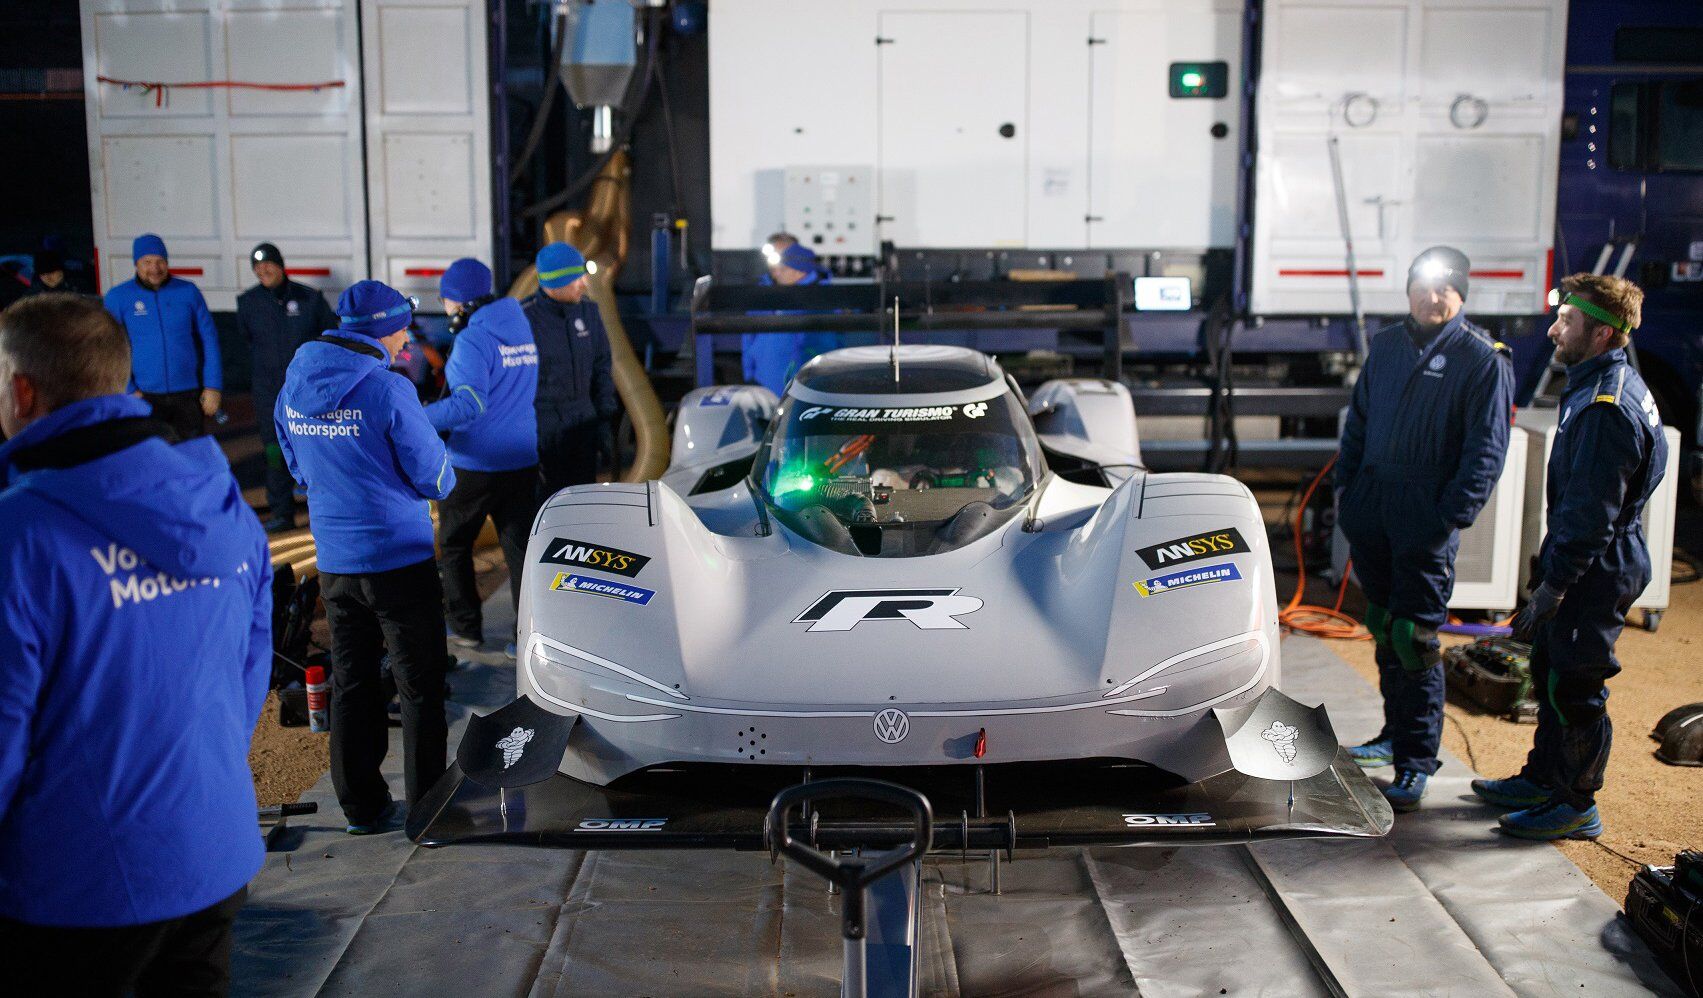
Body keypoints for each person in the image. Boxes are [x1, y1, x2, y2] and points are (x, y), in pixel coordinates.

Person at [0, 294, 271, 993]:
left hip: (77, 887)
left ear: (21, 390)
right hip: (213, 847)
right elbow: (248, 672)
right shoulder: (220, 502)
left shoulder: (24, 533)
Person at [1474, 274, 1667, 840]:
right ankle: (1543, 778)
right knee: (1549, 666)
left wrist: (1555, 586)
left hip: (1598, 563)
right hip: (1585, 553)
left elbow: (1590, 516)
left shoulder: (1607, 404)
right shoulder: (1599, 380)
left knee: (1575, 684)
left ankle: (1578, 802)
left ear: (1603, 332)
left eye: (1567, 322)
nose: (1555, 330)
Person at [1335, 246, 1515, 812]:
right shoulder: (1387, 347)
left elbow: (1486, 451)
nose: (1432, 297)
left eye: (1445, 289)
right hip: (1373, 512)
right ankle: (1394, 734)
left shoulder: (1483, 359)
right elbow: (1357, 424)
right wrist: (1349, 493)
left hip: (1424, 522)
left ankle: (1416, 761)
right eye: (1423, 285)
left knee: (1416, 640)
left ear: (1461, 296)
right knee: (1385, 627)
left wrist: (1448, 518)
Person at [275, 280, 456, 834]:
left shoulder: (295, 382)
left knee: (352, 681)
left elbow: (295, 464)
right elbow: (436, 478)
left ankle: (361, 806)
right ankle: (427, 811)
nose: (407, 339)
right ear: (381, 328)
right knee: (419, 685)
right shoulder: (388, 390)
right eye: (402, 326)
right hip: (398, 560)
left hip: (336, 560)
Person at [426, 258, 540, 658]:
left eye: (445, 301)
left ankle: (466, 629)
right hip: (522, 459)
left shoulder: (473, 340)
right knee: (521, 551)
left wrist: (417, 415)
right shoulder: (519, 325)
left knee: (454, 545)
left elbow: (467, 406)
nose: (445, 310)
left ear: (460, 302)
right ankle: (525, 637)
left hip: (474, 463)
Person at [236, 242, 338, 532]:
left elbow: (330, 336)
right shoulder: (248, 303)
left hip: (307, 391)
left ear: (281, 265)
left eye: (268, 264)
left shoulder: (309, 298)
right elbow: (247, 341)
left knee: (317, 449)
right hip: (268, 393)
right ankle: (282, 513)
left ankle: (327, 509)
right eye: (258, 267)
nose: (263, 270)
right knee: (274, 453)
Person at [103, 233, 223, 440]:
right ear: (136, 263)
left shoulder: (188, 291)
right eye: (147, 262)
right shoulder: (118, 297)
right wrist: (128, 388)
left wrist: (213, 386)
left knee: (191, 456)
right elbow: (109, 347)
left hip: (187, 393)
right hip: (143, 395)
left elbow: (209, 339)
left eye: (160, 261)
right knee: (150, 458)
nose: (154, 268)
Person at [522, 242, 618, 497]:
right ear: (555, 282)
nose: (584, 283)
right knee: (547, 504)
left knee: (583, 504)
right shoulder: (526, 320)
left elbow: (601, 366)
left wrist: (604, 420)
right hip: (544, 432)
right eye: (577, 278)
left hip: (583, 426)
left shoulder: (588, 312)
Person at [741, 239, 837, 396]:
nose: (776, 272)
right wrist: (749, 375)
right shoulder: (765, 292)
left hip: (802, 389)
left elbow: (824, 346)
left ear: (799, 270)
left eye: (782, 269)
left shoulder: (820, 298)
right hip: (765, 387)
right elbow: (749, 338)